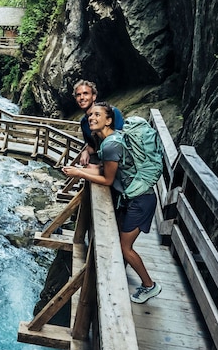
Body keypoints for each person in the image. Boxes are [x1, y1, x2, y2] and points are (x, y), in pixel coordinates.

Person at [61, 101, 162, 304]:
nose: (92, 118)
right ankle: (120, 276)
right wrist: (82, 170)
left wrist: (80, 172)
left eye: (98, 115)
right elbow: (105, 170)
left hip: (141, 201)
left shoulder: (110, 144)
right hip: (135, 198)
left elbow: (107, 180)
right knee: (120, 241)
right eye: (90, 116)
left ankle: (150, 285)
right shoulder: (112, 140)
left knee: (126, 247)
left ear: (109, 120)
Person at [72, 80, 123, 167]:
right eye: (78, 95)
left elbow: (120, 142)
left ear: (94, 96)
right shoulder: (84, 122)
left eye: (85, 93)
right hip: (102, 157)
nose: (82, 97)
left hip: (119, 160)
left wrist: (99, 167)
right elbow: (91, 145)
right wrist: (85, 151)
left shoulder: (111, 113)